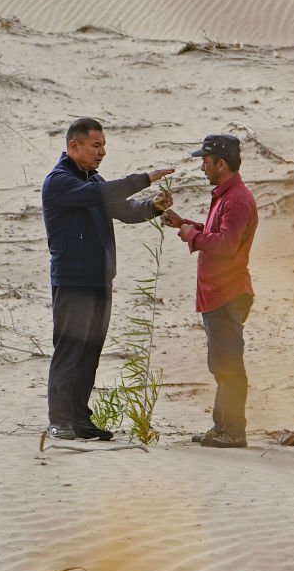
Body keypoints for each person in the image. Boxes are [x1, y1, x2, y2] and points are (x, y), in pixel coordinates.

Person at [42, 118, 174, 443]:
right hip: (73, 281)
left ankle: (79, 419)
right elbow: (101, 193)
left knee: (90, 352)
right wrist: (143, 178)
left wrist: (154, 207)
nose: (102, 152)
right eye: (95, 145)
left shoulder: (93, 180)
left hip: (100, 282)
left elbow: (125, 210)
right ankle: (60, 420)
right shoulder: (59, 182)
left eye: (103, 145)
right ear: (74, 146)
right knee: (70, 350)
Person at [161, 134, 258, 449]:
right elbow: (218, 234)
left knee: (228, 363)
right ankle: (222, 427)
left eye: (206, 161)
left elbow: (226, 245)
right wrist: (185, 224)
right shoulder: (226, 196)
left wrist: (190, 235)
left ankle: (234, 431)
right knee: (221, 362)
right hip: (218, 292)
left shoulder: (237, 199)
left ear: (221, 164)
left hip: (227, 292)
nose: (202, 167)